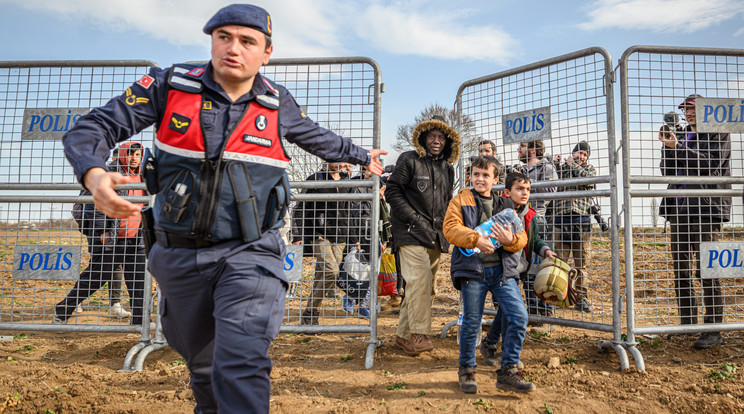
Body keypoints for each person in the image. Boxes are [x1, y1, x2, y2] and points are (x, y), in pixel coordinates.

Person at [60, 4, 385, 413]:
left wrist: (360, 155)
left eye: (247, 41)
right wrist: (92, 173)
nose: (233, 48)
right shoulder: (167, 86)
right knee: (203, 366)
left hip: (252, 252)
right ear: (211, 40)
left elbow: (318, 137)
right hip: (180, 255)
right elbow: (93, 127)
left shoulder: (276, 101)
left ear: (266, 52)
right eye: (223, 37)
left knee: (242, 362)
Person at [442, 156, 532, 394]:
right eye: (476, 174)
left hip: (503, 272)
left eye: (485, 175)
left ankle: (508, 371)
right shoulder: (461, 199)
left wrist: (510, 240)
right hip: (473, 272)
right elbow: (450, 228)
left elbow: (521, 237)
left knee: (519, 316)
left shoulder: (505, 205)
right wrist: (476, 240)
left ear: (496, 179)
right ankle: (467, 369)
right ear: (471, 175)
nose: (480, 179)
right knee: (472, 323)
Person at [658, 93, 731, 349]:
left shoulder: (717, 133)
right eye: (685, 109)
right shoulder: (680, 134)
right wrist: (669, 146)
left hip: (704, 209)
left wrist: (678, 147)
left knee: (708, 270)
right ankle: (687, 324)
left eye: (693, 109)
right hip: (678, 209)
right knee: (681, 271)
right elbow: (666, 171)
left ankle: (713, 329)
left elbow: (710, 165)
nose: (688, 113)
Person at [386, 115, 459, 356]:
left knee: (426, 288)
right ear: (423, 138)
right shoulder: (408, 160)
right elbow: (393, 193)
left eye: (441, 137)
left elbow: (448, 200)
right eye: (431, 136)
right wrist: (413, 219)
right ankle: (418, 333)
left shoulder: (448, 168)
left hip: (435, 235)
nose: (436, 141)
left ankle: (402, 336)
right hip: (408, 232)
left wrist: (449, 230)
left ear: (448, 141)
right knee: (418, 280)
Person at [55, 142, 146, 325]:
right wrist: (101, 231)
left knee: (138, 281)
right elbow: (95, 205)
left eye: (137, 154)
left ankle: (139, 321)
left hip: (136, 239)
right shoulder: (109, 174)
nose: (134, 158)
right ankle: (63, 309)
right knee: (95, 278)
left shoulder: (144, 177)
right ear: (121, 155)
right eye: (130, 154)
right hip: (110, 238)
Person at [480, 171, 557, 370]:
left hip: (520, 268)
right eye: (519, 189)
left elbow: (535, 240)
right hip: (503, 269)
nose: (525, 193)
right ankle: (503, 351)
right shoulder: (498, 212)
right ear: (507, 192)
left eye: (528, 189)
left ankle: (491, 344)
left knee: (508, 310)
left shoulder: (531, 215)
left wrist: (546, 250)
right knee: (513, 310)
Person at [291, 162, 352, 324]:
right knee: (332, 271)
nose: (339, 163)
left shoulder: (347, 181)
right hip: (319, 234)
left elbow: (349, 212)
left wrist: (353, 238)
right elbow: (299, 208)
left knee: (323, 275)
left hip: (340, 237)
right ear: (326, 160)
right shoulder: (315, 179)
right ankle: (311, 310)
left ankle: (310, 312)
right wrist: (298, 235)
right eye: (335, 159)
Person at [551, 140, 596, 313]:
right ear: (573, 153)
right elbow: (552, 180)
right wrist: (557, 163)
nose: (582, 157)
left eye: (585, 154)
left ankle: (580, 298)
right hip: (561, 221)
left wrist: (572, 164)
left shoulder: (589, 170)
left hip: (581, 222)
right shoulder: (562, 170)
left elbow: (588, 180)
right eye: (579, 153)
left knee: (581, 263)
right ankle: (559, 295)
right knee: (560, 262)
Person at [517, 140, 558, 319]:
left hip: (537, 218)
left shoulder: (546, 167)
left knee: (537, 267)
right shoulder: (521, 169)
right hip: (520, 218)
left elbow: (551, 190)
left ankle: (544, 310)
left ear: (532, 150)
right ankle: (532, 310)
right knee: (524, 267)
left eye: (522, 147)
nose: (518, 150)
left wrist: (525, 187)